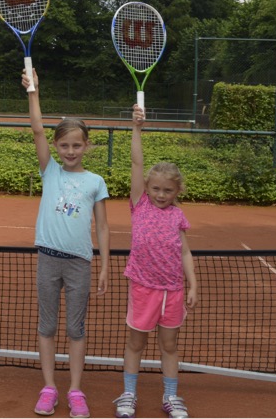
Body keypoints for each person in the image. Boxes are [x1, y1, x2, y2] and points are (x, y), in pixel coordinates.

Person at [25, 69, 110, 418]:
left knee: (76, 329)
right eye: (64, 145)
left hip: (80, 262)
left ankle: (75, 391)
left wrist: (104, 264)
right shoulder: (50, 171)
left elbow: (103, 227)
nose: (71, 150)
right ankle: (49, 388)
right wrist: (34, 91)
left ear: (87, 145)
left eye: (77, 145)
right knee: (47, 326)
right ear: (56, 147)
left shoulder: (95, 181)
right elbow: (35, 129)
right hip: (48, 258)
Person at [113, 104, 198, 419]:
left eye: (168, 190)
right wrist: (137, 128)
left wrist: (193, 284)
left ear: (177, 191)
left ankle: (171, 397)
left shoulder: (178, 215)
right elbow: (137, 162)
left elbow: (185, 252)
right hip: (143, 287)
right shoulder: (140, 204)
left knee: (169, 345)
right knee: (136, 343)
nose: (161, 194)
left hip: (173, 291)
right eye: (156, 188)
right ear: (146, 188)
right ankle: (128, 394)